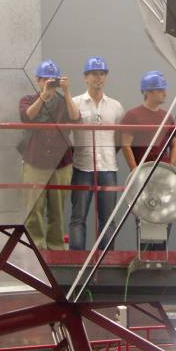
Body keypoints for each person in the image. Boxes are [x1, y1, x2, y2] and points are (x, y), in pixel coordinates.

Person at [19, 60, 80, 251]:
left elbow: (76, 118)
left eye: (52, 80)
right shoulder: (28, 99)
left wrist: (67, 92)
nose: (49, 83)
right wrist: (43, 97)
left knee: (58, 208)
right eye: (45, 79)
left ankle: (56, 247)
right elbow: (27, 116)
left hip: (61, 162)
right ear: (37, 80)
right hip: (35, 160)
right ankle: (35, 246)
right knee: (34, 208)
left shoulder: (64, 101)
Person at [69, 57, 124, 250]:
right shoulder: (75, 103)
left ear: (106, 77)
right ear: (85, 77)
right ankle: (76, 260)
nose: (98, 78)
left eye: (102, 74)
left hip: (108, 167)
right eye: (94, 74)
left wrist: (108, 152)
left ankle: (105, 259)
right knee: (78, 218)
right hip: (82, 166)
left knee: (108, 219)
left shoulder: (116, 106)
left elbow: (119, 139)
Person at [121, 71, 176, 251]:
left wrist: (169, 168)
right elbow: (126, 144)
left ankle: (161, 253)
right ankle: (144, 252)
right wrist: (136, 170)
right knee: (143, 214)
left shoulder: (167, 117)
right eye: (160, 90)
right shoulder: (133, 116)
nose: (165, 93)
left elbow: (174, 145)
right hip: (143, 173)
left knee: (165, 213)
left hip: (162, 175)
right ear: (148, 92)